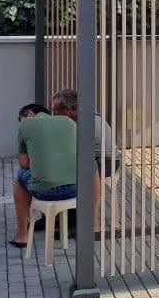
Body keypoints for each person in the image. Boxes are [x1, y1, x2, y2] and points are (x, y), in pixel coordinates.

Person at [50, 89, 119, 236]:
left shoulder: (85, 123)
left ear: (68, 110)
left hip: (106, 162)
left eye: (56, 111)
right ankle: (60, 218)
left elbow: (71, 152)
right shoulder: (84, 117)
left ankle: (77, 223)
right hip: (98, 159)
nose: (54, 114)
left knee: (67, 176)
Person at [9, 103, 77, 248]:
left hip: (46, 192)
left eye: (21, 119)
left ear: (29, 113)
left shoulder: (25, 125)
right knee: (91, 165)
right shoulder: (68, 121)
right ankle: (95, 224)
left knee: (20, 175)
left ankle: (22, 235)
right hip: (76, 190)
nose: (21, 123)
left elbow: (24, 163)